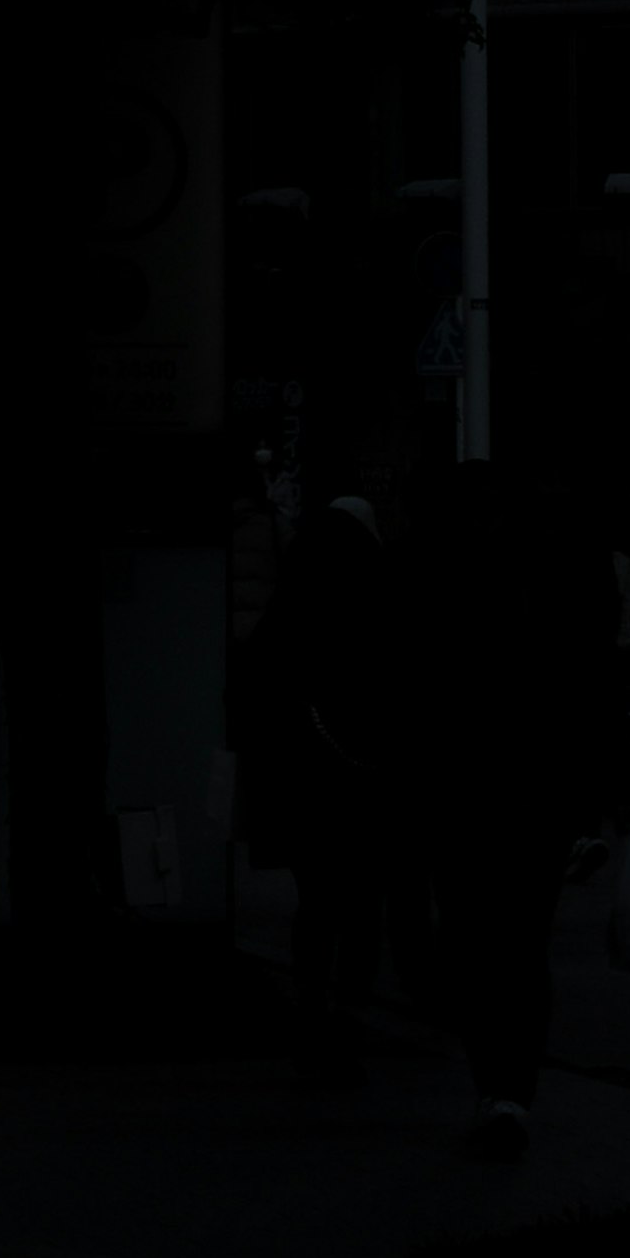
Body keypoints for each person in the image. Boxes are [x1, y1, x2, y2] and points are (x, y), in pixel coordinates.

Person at [391, 453, 630, 1161]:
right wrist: (612, 786)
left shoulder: (432, 568)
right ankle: (510, 1090)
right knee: (519, 944)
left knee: (477, 938)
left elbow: (405, 681)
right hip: (537, 785)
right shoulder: (565, 567)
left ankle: (498, 1086)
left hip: (466, 784)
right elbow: (597, 676)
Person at [230, 450, 404, 1083]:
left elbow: (253, 693)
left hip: (305, 783)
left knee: (319, 904)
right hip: (369, 783)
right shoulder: (384, 617)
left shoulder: (288, 622)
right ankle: (350, 1014)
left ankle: (309, 1008)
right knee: (363, 908)